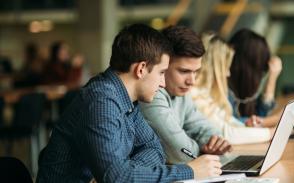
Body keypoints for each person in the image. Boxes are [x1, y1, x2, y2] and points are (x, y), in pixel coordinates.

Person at [37, 24, 223, 183]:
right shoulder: (101, 101)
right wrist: (190, 171)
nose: (163, 83)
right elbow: (117, 178)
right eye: (161, 72)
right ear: (141, 69)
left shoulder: (127, 100)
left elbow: (154, 148)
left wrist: (128, 171)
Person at [140, 26, 232, 164]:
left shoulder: (181, 92)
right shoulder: (151, 95)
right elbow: (180, 153)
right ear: (163, 66)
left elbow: (205, 128)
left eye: (195, 72)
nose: (192, 81)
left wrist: (214, 142)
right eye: (184, 71)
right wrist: (204, 151)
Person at [191, 33, 273, 145]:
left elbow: (229, 122)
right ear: (215, 68)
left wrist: (247, 127)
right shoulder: (194, 94)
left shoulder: (206, 94)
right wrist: (271, 132)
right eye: (226, 67)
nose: (228, 73)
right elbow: (225, 134)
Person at [228, 29, 282, 127]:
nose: (259, 77)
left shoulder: (241, 89)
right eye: (260, 71)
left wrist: (272, 78)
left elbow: (257, 115)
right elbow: (228, 125)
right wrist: (274, 120)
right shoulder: (224, 88)